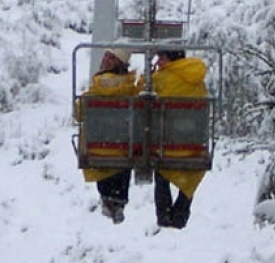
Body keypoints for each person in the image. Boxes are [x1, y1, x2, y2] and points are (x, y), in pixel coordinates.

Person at [76, 47, 136, 224]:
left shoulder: (96, 89)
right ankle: (119, 202)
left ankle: (108, 201)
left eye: (109, 57)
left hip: (98, 147)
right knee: (123, 168)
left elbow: (79, 114)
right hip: (124, 147)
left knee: (103, 171)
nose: (104, 60)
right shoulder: (130, 88)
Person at [150, 49, 208, 229]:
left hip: (166, 145)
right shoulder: (197, 79)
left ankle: (164, 215)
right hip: (192, 146)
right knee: (192, 174)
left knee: (160, 171)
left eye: (161, 58)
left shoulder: (161, 79)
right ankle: (181, 211)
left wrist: (149, 76)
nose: (158, 62)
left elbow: (142, 93)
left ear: (170, 59)